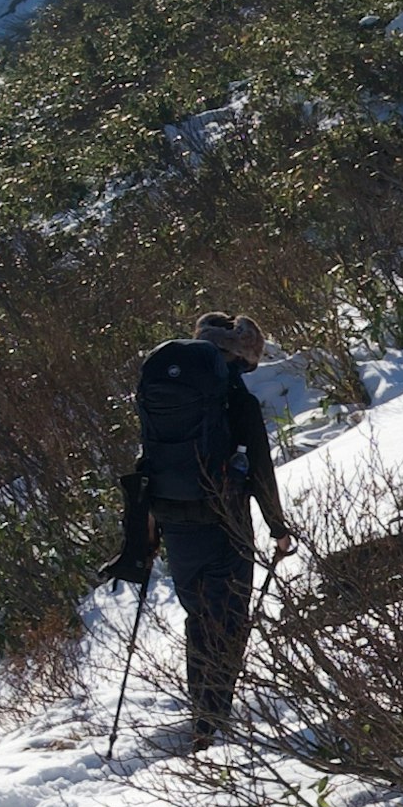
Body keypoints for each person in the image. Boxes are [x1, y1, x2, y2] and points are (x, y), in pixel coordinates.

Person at [112, 308, 288, 741]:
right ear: (241, 357)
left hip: (174, 519)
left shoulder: (168, 389)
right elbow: (261, 466)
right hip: (224, 518)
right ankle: (214, 718)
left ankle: (204, 715)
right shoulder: (236, 399)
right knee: (229, 617)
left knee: (199, 617)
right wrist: (277, 527)